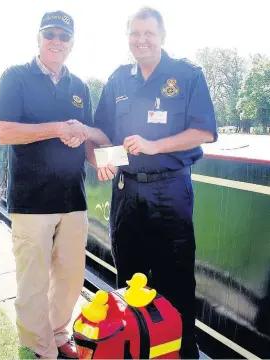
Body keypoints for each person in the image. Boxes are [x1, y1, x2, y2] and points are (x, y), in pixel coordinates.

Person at [93, 7, 217, 359]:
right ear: (128, 37)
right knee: (128, 278)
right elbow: (104, 131)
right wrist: (91, 145)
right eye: (135, 33)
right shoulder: (118, 79)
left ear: (162, 36)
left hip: (170, 191)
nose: (141, 40)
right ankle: (131, 349)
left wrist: (153, 145)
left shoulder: (187, 74)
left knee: (175, 281)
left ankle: (182, 352)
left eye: (148, 33)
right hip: (126, 191)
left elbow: (204, 131)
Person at [0, 10, 108, 359]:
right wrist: (58, 128)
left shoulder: (80, 87)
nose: (57, 41)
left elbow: (91, 140)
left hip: (73, 198)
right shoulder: (15, 77)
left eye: (64, 36)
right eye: (50, 34)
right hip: (31, 200)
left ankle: (59, 335)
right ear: (39, 38)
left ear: (72, 43)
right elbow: (5, 132)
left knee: (72, 278)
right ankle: (37, 347)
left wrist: (102, 158)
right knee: (33, 283)